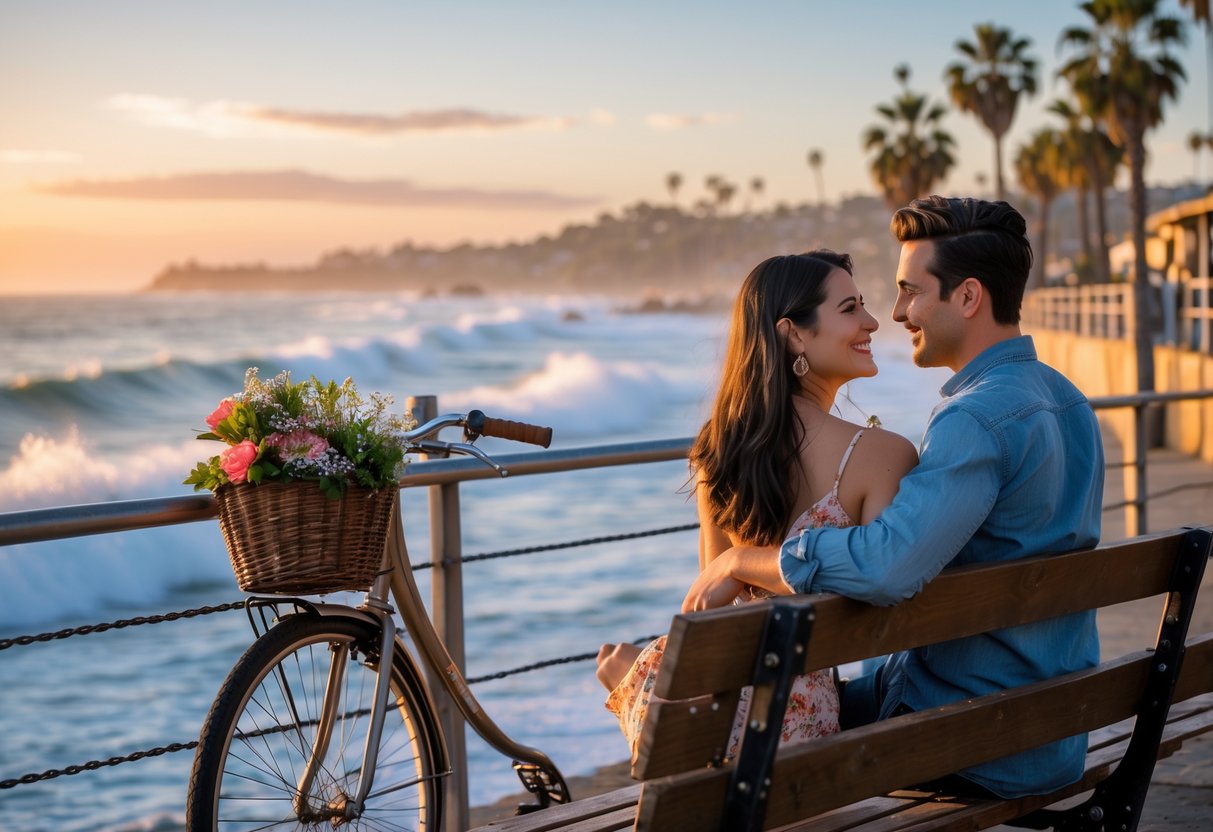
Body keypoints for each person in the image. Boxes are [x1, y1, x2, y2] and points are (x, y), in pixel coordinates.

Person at [683, 195, 1105, 798]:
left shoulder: (973, 420)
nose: (897, 312)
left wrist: (741, 560)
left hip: (975, 735)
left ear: (967, 297)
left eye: (911, 291)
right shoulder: (1070, 402)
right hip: (1057, 725)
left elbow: (887, 566)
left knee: (751, 743)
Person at [595, 249, 918, 762]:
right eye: (851, 308)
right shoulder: (883, 455)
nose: (873, 321)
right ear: (794, 333)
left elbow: (711, 613)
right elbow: (883, 602)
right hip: (798, 736)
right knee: (627, 664)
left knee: (620, 664)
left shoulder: (717, 453)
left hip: (717, 728)